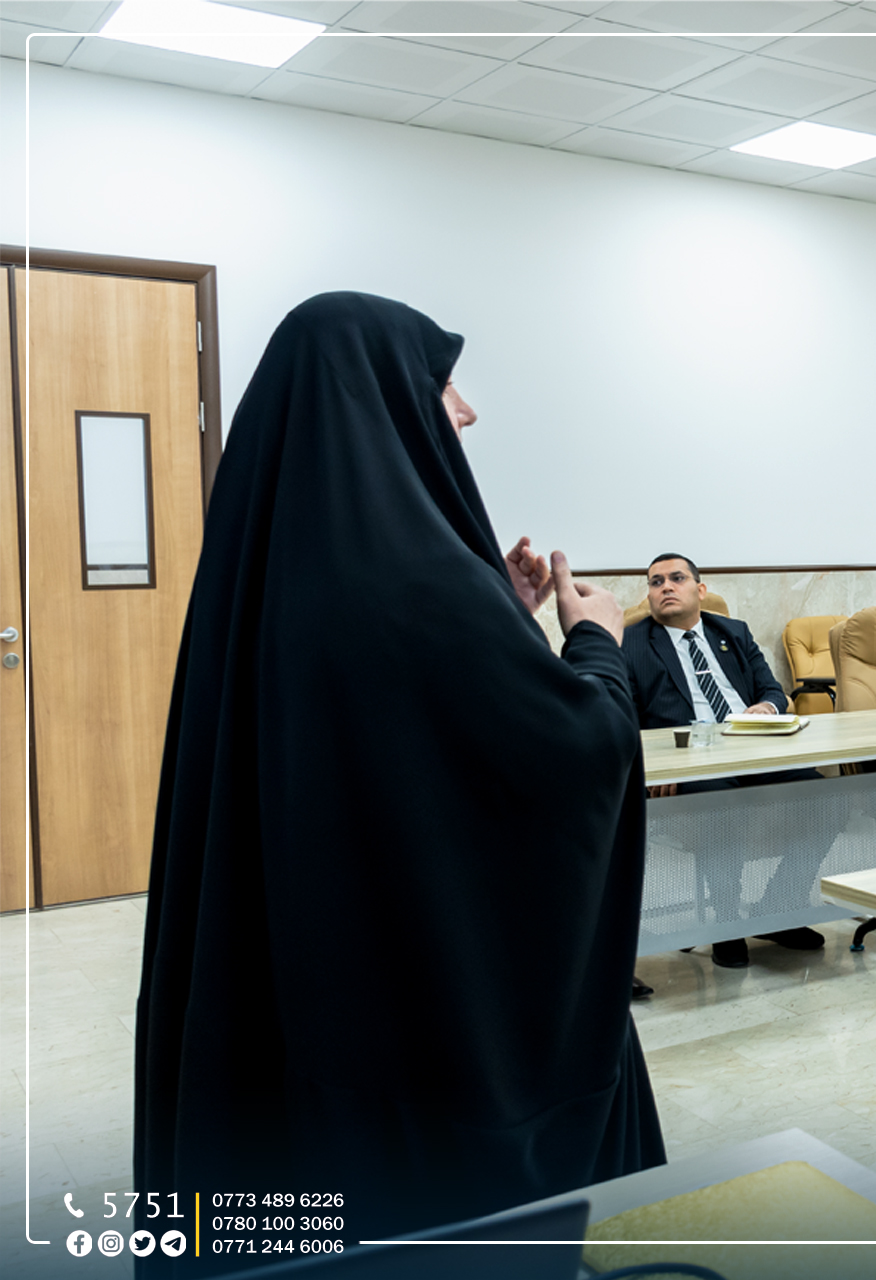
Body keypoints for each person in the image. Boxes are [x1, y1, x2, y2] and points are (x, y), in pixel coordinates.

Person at [135, 293, 664, 1271]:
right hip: (424, 1037)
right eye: (442, 381)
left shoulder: (271, 565)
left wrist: (498, 611)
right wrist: (594, 642)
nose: (465, 409)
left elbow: (403, 728)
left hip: (305, 999)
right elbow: (573, 754)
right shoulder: (423, 580)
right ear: (378, 396)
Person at [623, 552, 827, 971]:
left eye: (676, 578)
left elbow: (772, 690)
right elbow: (622, 716)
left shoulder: (733, 632)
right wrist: (656, 767)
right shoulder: (631, 643)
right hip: (692, 763)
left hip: (751, 748)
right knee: (720, 802)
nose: (665, 587)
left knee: (826, 795)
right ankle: (728, 923)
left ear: (700, 590)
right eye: (656, 582)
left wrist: (766, 709)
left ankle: (778, 908)